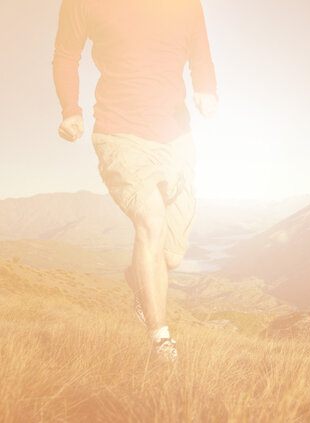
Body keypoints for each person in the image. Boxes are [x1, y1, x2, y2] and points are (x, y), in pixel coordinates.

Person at [52, 0, 218, 363]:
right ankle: (161, 342)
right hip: (118, 134)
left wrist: (207, 88)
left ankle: (138, 278)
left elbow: (200, 53)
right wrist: (70, 110)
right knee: (150, 222)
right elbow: (66, 54)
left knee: (170, 257)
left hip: (176, 139)